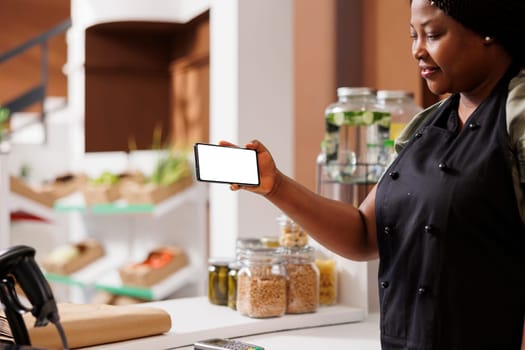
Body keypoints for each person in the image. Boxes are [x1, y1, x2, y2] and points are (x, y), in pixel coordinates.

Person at [220, 0, 525, 348]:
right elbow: (365, 232)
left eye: (433, 34)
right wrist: (275, 186)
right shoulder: (425, 125)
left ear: (487, 29)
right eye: (413, 36)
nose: (417, 50)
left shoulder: (518, 115)